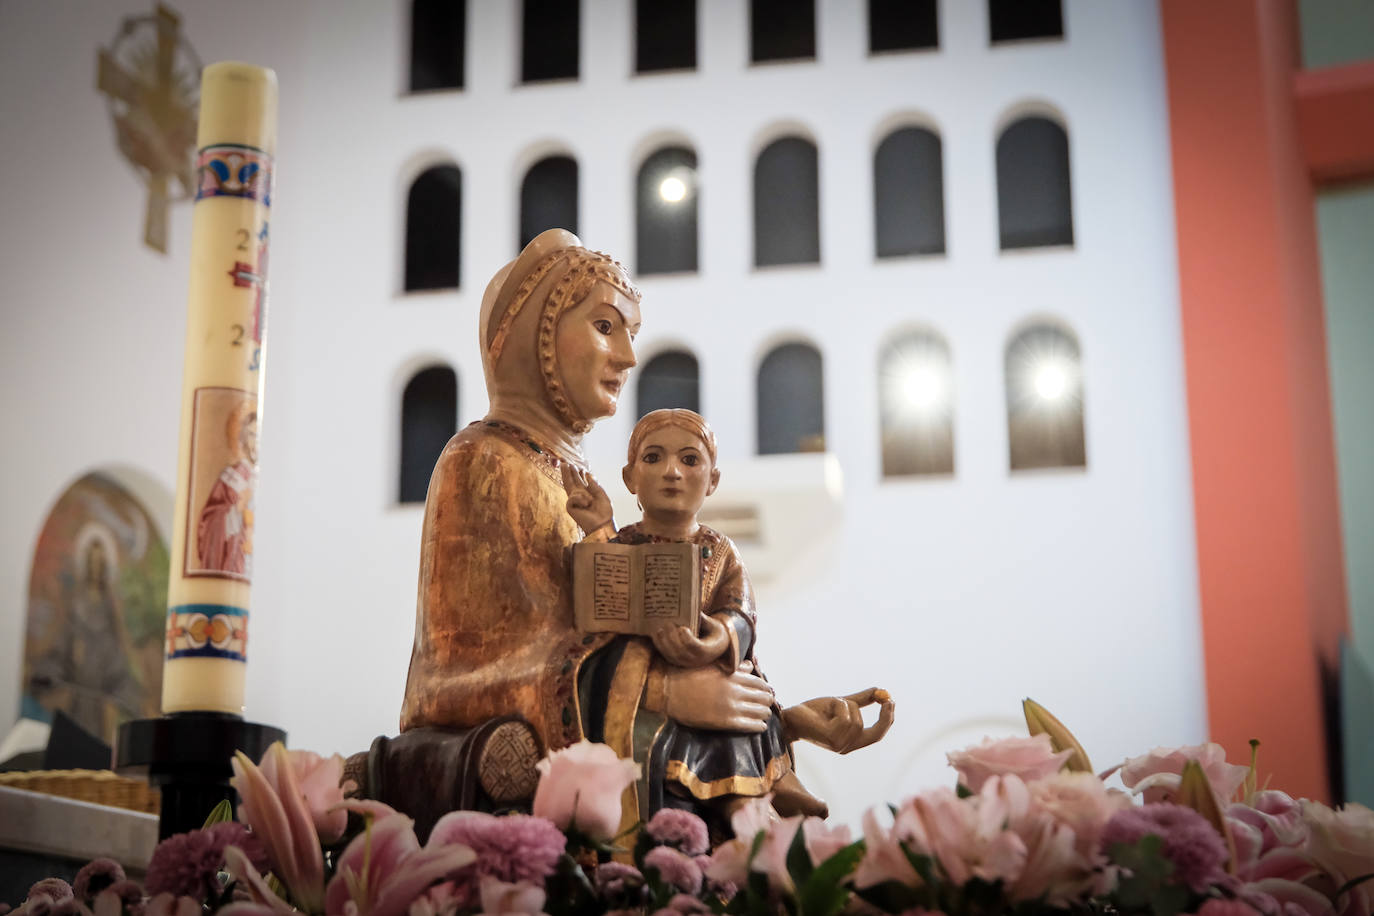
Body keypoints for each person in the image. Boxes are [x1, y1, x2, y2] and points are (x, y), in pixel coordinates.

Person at [400, 229, 893, 833]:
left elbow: (698, 619)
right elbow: (480, 664)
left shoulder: (595, 489)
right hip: (581, 729)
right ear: (541, 337)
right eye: (606, 327)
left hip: (628, 713)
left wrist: (780, 718)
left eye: (630, 334)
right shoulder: (484, 458)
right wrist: (664, 693)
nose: (629, 357)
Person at [564, 408, 835, 821]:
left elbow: (740, 612)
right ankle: (738, 801)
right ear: (629, 478)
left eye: (689, 460)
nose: (672, 471)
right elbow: (599, 612)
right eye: (653, 458)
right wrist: (600, 528)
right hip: (643, 674)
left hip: (711, 661)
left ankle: (765, 785)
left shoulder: (721, 550)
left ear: (713, 481)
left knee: (743, 689)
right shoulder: (622, 544)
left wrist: (716, 638)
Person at [197, 403, 256, 577]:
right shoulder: (232, 477)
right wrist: (236, 510)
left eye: (259, 436)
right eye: (252, 435)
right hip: (233, 557)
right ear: (244, 438)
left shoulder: (265, 480)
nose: (256, 442)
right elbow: (210, 520)